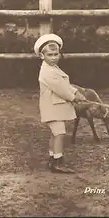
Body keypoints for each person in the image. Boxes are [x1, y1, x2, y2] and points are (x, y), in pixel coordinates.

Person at [34, 33, 87, 174]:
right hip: (52, 107)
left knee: (55, 133)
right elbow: (60, 89)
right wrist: (73, 97)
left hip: (55, 106)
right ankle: (58, 162)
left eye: (56, 54)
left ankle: (52, 158)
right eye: (50, 55)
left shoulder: (53, 68)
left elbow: (65, 84)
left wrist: (76, 92)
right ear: (41, 56)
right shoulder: (47, 72)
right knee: (60, 133)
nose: (54, 57)